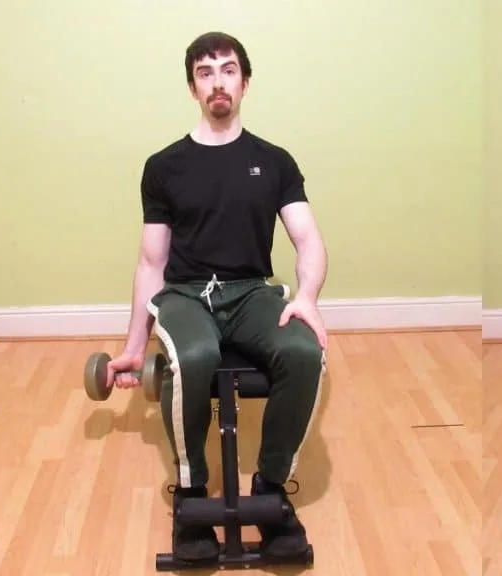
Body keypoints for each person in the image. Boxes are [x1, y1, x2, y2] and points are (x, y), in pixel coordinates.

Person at [103, 31, 328, 562]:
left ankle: (271, 490)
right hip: (186, 293)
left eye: (228, 70)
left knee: (303, 351)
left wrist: (310, 297)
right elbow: (151, 263)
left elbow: (307, 238)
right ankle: (190, 493)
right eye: (205, 73)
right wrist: (134, 346)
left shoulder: (274, 161)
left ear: (244, 83)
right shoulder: (165, 166)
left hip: (251, 292)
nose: (217, 81)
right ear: (193, 88)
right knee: (196, 356)